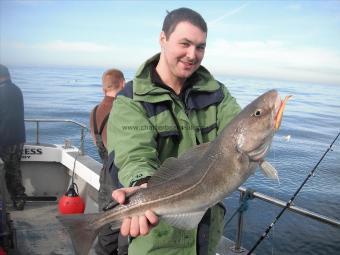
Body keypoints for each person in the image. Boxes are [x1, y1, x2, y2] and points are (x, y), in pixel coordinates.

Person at [107, 7, 241, 255]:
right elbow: (134, 153)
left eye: (200, 47)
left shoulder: (219, 94)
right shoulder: (131, 100)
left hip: (207, 238)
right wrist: (142, 185)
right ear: (163, 39)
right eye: (185, 44)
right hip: (158, 243)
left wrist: (265, 126)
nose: (192, 54)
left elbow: (239, 133)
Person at [89, 68, 127, 255]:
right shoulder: (126, 109)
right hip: (123, 175)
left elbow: (97, 141)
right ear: (123, 83)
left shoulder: (95, 111)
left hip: (105, 176)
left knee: (107, 227)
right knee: (126, 230)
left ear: (104, 88)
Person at [0, 64, 27, 211]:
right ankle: (19, 199)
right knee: (14, 171)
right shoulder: (17, 90)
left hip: (4, 138)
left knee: (10, 171)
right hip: (18, 137)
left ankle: (16, 199)